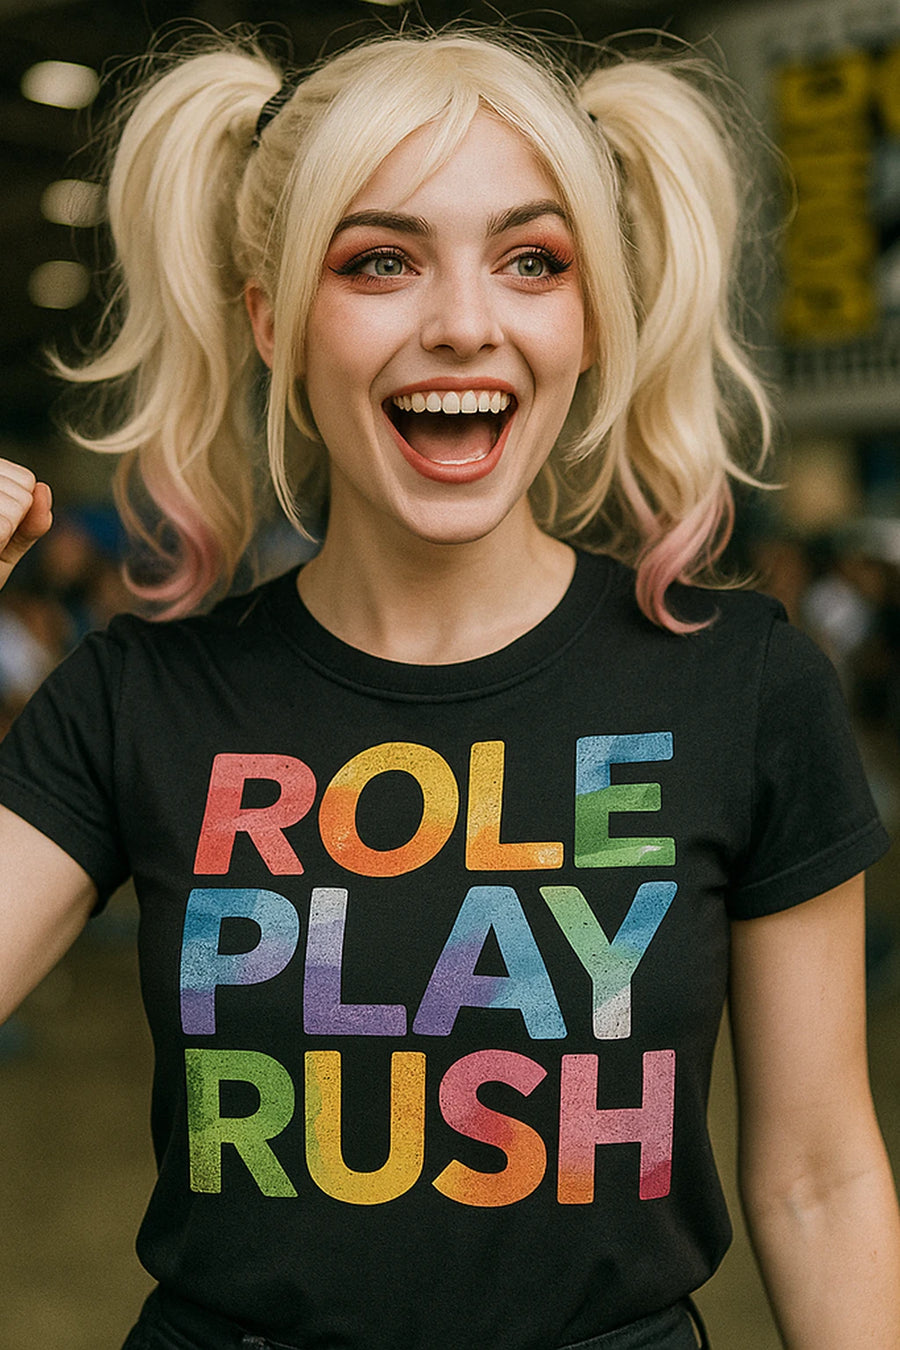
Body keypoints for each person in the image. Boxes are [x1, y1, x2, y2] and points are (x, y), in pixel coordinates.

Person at [0, 25, 898, 1350]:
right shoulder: (140, 698)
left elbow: (819, 1177)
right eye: (380, 261)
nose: (465, 322)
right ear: (273, 318)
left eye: (533, 261)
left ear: (588, 319)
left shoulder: (743, 685)